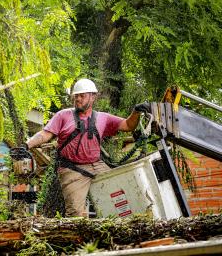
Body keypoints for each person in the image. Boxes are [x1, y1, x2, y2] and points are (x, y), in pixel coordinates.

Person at [21, 78, 149, 217]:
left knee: (120, 194)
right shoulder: (63, 116)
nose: (78, 99)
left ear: (93, 96)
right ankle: (78, 237)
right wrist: (26, 145)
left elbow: (128, 125)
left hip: (96, 164)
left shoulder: (102, 118)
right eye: (76, 96)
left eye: (82, 96)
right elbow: (45, 134)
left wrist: (136, 112)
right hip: (71, 168)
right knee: (76, 213)